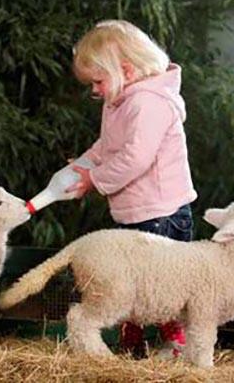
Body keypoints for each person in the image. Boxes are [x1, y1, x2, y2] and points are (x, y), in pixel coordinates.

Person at [67, 19, 198, 359]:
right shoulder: (121, 100)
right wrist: (82, 165)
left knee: (160, 283)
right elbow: (108, 145)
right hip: (136, 210)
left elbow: (136, 157)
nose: (94, 90)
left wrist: (94, 180)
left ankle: (176, 343)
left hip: (160, 213)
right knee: (131, 282)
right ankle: (133, 343)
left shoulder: (148, 103)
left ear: (125, 69)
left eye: (98, 80)